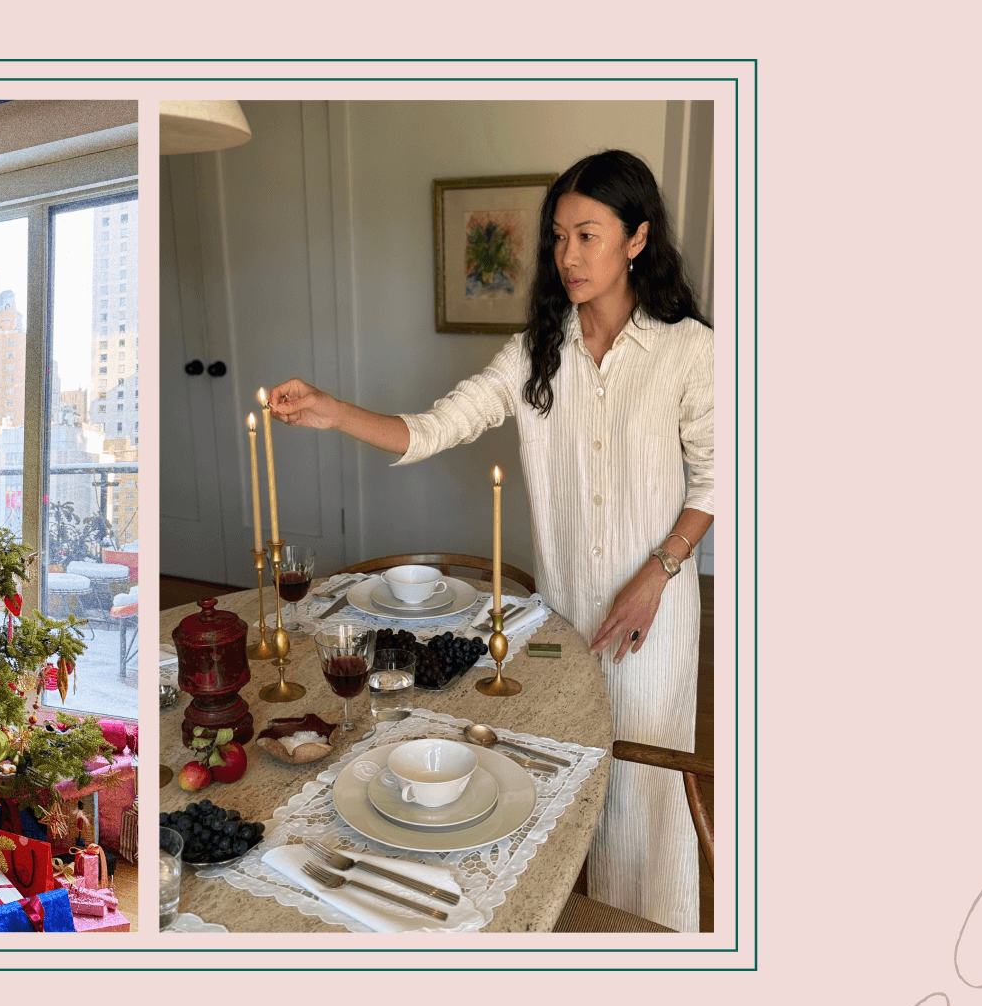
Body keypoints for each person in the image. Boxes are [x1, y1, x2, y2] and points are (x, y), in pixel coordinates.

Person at [268, 149, 713, 932]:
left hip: (656, 610)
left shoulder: (691, 350)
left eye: (587, 235)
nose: (567, 256)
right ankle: (566, 923)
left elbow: (726, 474)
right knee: (567, 777)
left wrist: (660, 570)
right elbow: (439, 425)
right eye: (558, 238)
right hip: (565, 612)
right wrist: (335, 411)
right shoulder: (536, 352)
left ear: (637, 239)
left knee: (645, 789)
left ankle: (655, 941)